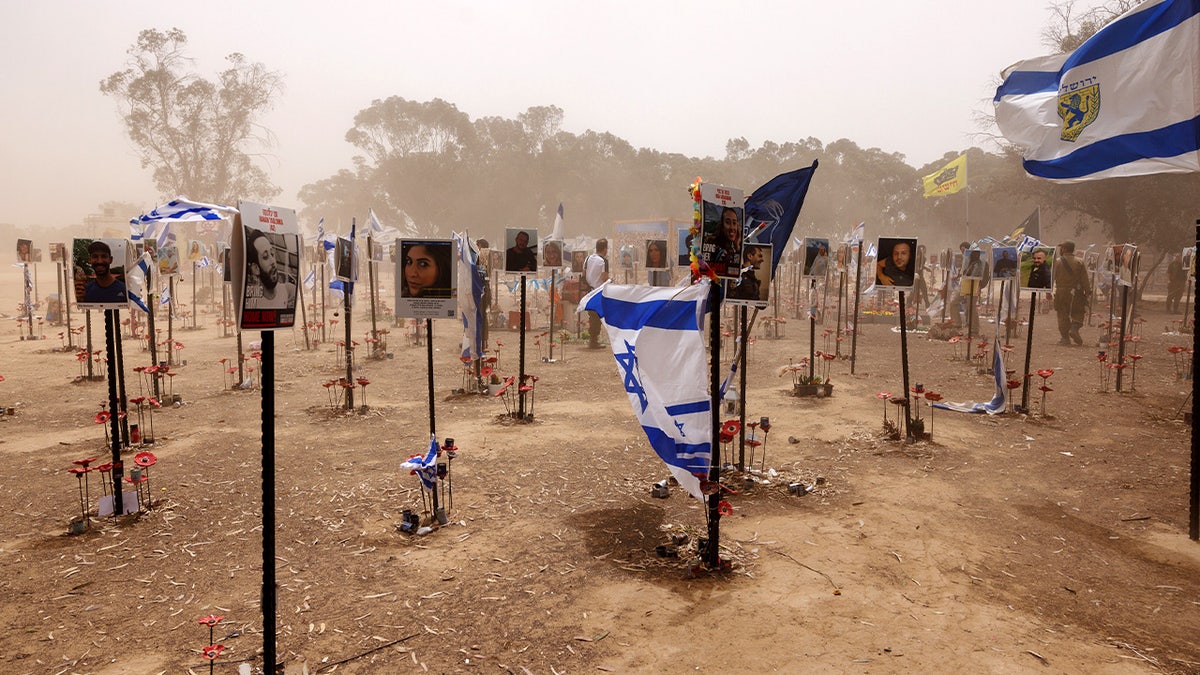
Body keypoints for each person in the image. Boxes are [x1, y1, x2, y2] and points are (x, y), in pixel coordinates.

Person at [244, 229, 296, 310]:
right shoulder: (252, 304)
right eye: (265, 257)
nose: (273, 261)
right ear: (256, 268)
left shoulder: (289, 291)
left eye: (272, 254)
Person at [1053, 241, 1089, 345]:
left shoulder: (1057, 262)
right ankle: (1074, 328)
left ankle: (1065, 338)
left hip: (1061, 292)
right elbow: (1084, 279)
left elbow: (1052, 278)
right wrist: (1087, 291)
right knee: (1078, 311)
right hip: (1076, 292)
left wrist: (1047, 290)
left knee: (1062, 313)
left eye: (1062, 248)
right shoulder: (1080, 262)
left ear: (1064, 249)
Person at [82, 240, 128, 304]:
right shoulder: (86, 291)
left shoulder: (124, 290)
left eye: (104, 256)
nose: (99, 261)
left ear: (110, 259)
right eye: (95, 257)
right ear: (90, 260)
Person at [585, 238, 609, 348]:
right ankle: (594, 341)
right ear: (605, 249)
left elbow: (583, 274)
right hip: (598, 291)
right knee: (597, 317)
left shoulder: (588, 258)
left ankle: (592, 339)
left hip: (589, 291)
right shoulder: (604, 261)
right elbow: (604, 278)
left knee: (592, 316)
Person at [707, 206, 742, 275]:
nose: (732, 227)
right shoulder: (716, 248)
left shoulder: (732, 247)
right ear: (722, 226)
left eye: (734, 223)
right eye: (728, 222)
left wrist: (737, 246)